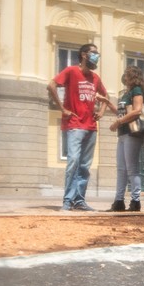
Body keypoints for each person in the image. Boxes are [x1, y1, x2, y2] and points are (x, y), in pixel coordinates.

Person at [47, 42, 110, 211]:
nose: (97, 56)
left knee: (84, 166)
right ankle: (68, 200)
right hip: (74, 124)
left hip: (90, 127)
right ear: (84, 54)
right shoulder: (71, 71)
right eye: (94, 53)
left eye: (98, 54)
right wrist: (62, 108)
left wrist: (102, 112)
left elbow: (106, 96)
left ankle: (79, 200)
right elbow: (51, 85)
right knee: (73, 161)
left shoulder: (95, 78)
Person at [108, 66, 144, 212]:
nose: (124, 77)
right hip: (123, 133)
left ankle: (135, 201)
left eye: (126, 75)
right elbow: (121, 112)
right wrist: (107, 102)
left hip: (132, 133)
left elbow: (137, 111)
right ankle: (118, 201)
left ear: (131, 76)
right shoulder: (126, 93)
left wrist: (117, 122)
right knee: (121, 169)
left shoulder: (137, 90)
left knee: (132, 168)